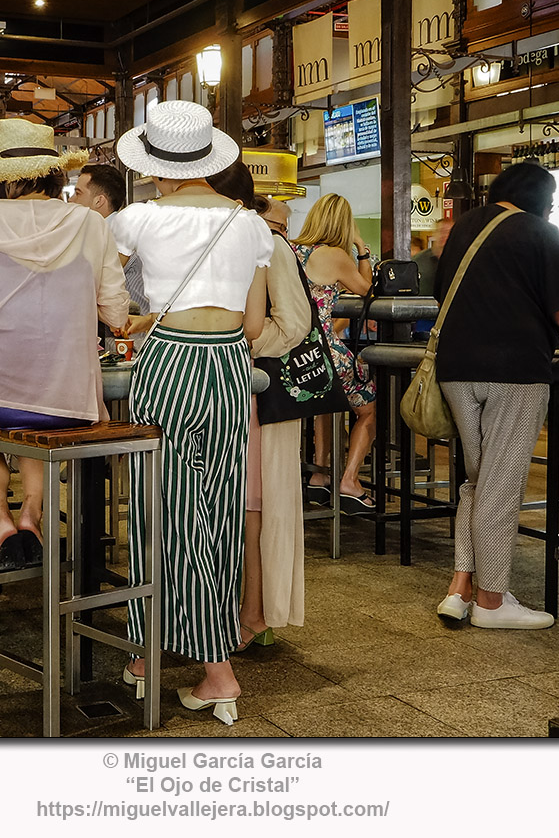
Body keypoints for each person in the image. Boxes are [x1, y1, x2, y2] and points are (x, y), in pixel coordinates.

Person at [110, 100, 272, 725]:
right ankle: (168, 657)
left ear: (155, 168)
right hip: (230, 368)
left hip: (170, 363)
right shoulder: (249, 223)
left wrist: (136, 317)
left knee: (163, 510)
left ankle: (210, 668)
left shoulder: (135, 221)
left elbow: (108, 302)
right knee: (219, 515)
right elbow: (254, 323)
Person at [0, 118, 129, 574]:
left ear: (0, 178)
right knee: (43, 416)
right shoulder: (90, 224)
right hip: (71, 401)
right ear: (53, 172)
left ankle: (2, 522)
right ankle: (32, 513)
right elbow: (117, 314)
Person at [433, 162, 559, 630]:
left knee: (477, 480)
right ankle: (492, 602)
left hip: (455, 369)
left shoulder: (466, 226)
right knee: (501, 482)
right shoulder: (538, 232)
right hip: (514, 371)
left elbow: (438, 291)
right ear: (541, 199)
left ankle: (459, 589)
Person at [206, 163, 310, 649]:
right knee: (231, 506)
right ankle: (232, 608)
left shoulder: (270, 245)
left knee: (255, 506)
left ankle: (255, 612)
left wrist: (235, 346)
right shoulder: (219, 241)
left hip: (258, 393)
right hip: (224, 387)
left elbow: (295, 323)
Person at [291, 193, 377, 512]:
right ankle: (349, 480)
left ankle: (320, 475)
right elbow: (367, 291)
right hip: (323, 353)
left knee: (326, 404)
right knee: (369, 410)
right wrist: (362, 250)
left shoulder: (291, 250)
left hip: (291, 355)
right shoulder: (335, 255)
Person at [73, 164, 149, 316]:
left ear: (99, 201)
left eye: (78, 193)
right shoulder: (96, 236)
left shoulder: (118, 239)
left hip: (125, 334)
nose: (71, 200)